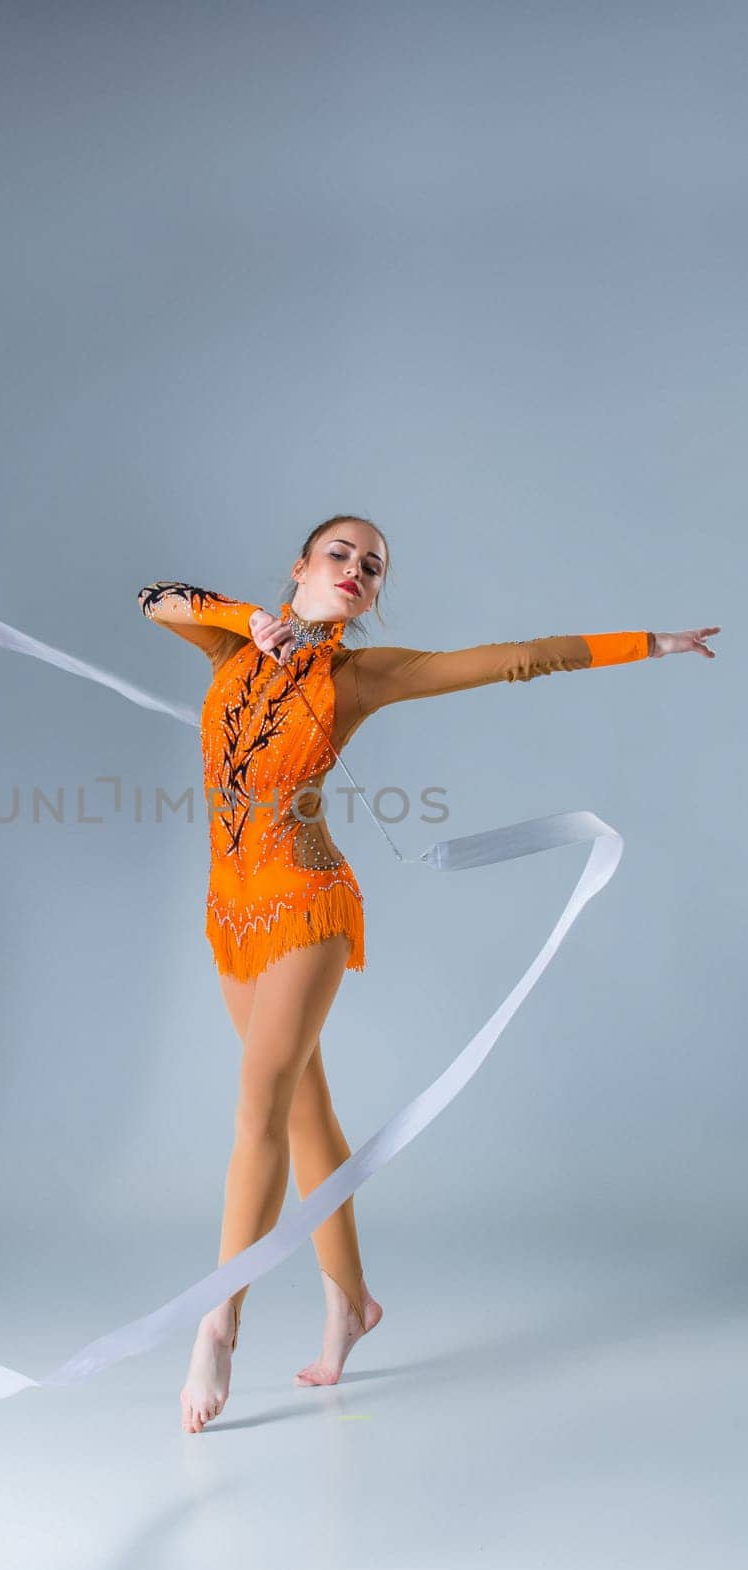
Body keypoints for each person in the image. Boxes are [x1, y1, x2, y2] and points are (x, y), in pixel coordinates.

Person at [138, 515, 719, 1434]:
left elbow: (517, 659)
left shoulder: (361, 676)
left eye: (373, 568)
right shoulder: (225, 641)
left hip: (304, 903)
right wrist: (248, 618)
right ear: (300, 566)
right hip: (227, 910)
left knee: (257, 1106)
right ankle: (351, 1304)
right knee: (301, 1109)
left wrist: (651, 643)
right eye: (341, 554)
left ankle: (219, 1321)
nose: (358, 572)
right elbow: (151, 597)